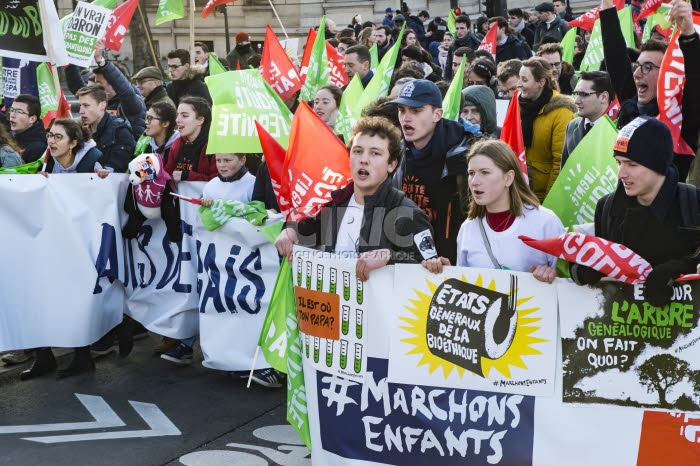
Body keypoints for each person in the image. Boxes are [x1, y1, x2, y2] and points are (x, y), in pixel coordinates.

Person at [275, 115, 437, 276]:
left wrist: (390, 257)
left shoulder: (408, 214)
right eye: (358, 151)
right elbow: (309, 230)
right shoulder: (337, 202)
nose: (364, 160)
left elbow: (430, 268)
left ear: (391, 164)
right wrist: (289, 231)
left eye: (375, 153)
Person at [570, 116, 700, 306]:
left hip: (684, 330)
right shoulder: (607, 208)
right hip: (621, 329)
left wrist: (679, 268)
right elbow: (596, 262)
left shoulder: (693, 203)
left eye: (632, 164)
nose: (621, 174)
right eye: (618, 162)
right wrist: (584, 270)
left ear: (658, 166)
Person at [20, 119, 105, 381]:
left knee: (75, 300)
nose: (52, 142)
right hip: (52, 244)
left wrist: (104, 178)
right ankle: (43, 356)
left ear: (73, 143)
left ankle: (83, 356)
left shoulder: (93, 162)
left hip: (80, 247)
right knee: (40, 299)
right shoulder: (47, 162)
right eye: (50, 136)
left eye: (58, 137)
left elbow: (104, 197)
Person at [422, 139, 564, 283]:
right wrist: (446, 272)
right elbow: (465, 287)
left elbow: (569, 282)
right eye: (471, 173)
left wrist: (554, 276)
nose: (474, 181)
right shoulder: (468, 228)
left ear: (508, 178)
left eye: (484, 172)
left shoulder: (545, 222)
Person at [601, 0, 699, 181]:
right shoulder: (632, 107)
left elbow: (695, 78)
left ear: (666, 76)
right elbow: (615, 58)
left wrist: (688, 33)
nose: (637, 74)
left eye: (647, 67)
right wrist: (607, 5)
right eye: (637, 66)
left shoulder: (682, 119)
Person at [390, 79, 480, 264]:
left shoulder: (467, 153)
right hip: (410, 260)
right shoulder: (395, 153)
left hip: (455, 264)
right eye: (402, 110)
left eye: (416, 111)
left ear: (437, 114)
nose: (406, 118)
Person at [518, 57, 575, 201]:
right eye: (520, 79)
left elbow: (560, 163)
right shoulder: (519, 105)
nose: (519, 84)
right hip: (519, 190)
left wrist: (549, 201)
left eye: (524, 80)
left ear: (541, 82)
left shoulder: (562, 112)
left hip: (542, 196)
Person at [65, 39, 147, 140]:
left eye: (99, 83)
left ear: (114, 84)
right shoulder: (98, 99)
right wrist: (70, 61)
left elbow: (124, 90)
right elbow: (76, 86)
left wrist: (101, 61)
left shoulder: (132, 102)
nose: (94, 87)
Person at [76, 84, 135, 174]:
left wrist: (107, 171)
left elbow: (120, 164)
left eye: (86, 105)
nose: (81, 111)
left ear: (102, 105)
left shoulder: (119, 130)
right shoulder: (78, 128)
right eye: (80, 105)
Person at [561, 71, 615, 167]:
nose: (577, 101)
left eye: (584, 94)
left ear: (603, 97)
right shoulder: (572, 126)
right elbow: (564, 171)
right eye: (577, 94)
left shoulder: (617, 131)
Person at [164, 96, 217, 183]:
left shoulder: (213, 146)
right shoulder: (177, 144)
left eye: (185, 116)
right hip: (180, 195)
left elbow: (218, 181)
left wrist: (187, 175)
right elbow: (167, 175)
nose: (177, 120)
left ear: (200, 120)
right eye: (177, 115)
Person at [8, 94, 46, 163]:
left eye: (19, 112)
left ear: (32, 119)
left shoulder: (38, 148)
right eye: (12, 110)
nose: (13, 115)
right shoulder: (10, 136)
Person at [444, 15, 482, 81]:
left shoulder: (476, 44)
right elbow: (448, 67)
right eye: (457, 28)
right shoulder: (452, 46)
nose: (459, 31)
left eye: (462, 28)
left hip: (472, 80)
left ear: (469, 29)